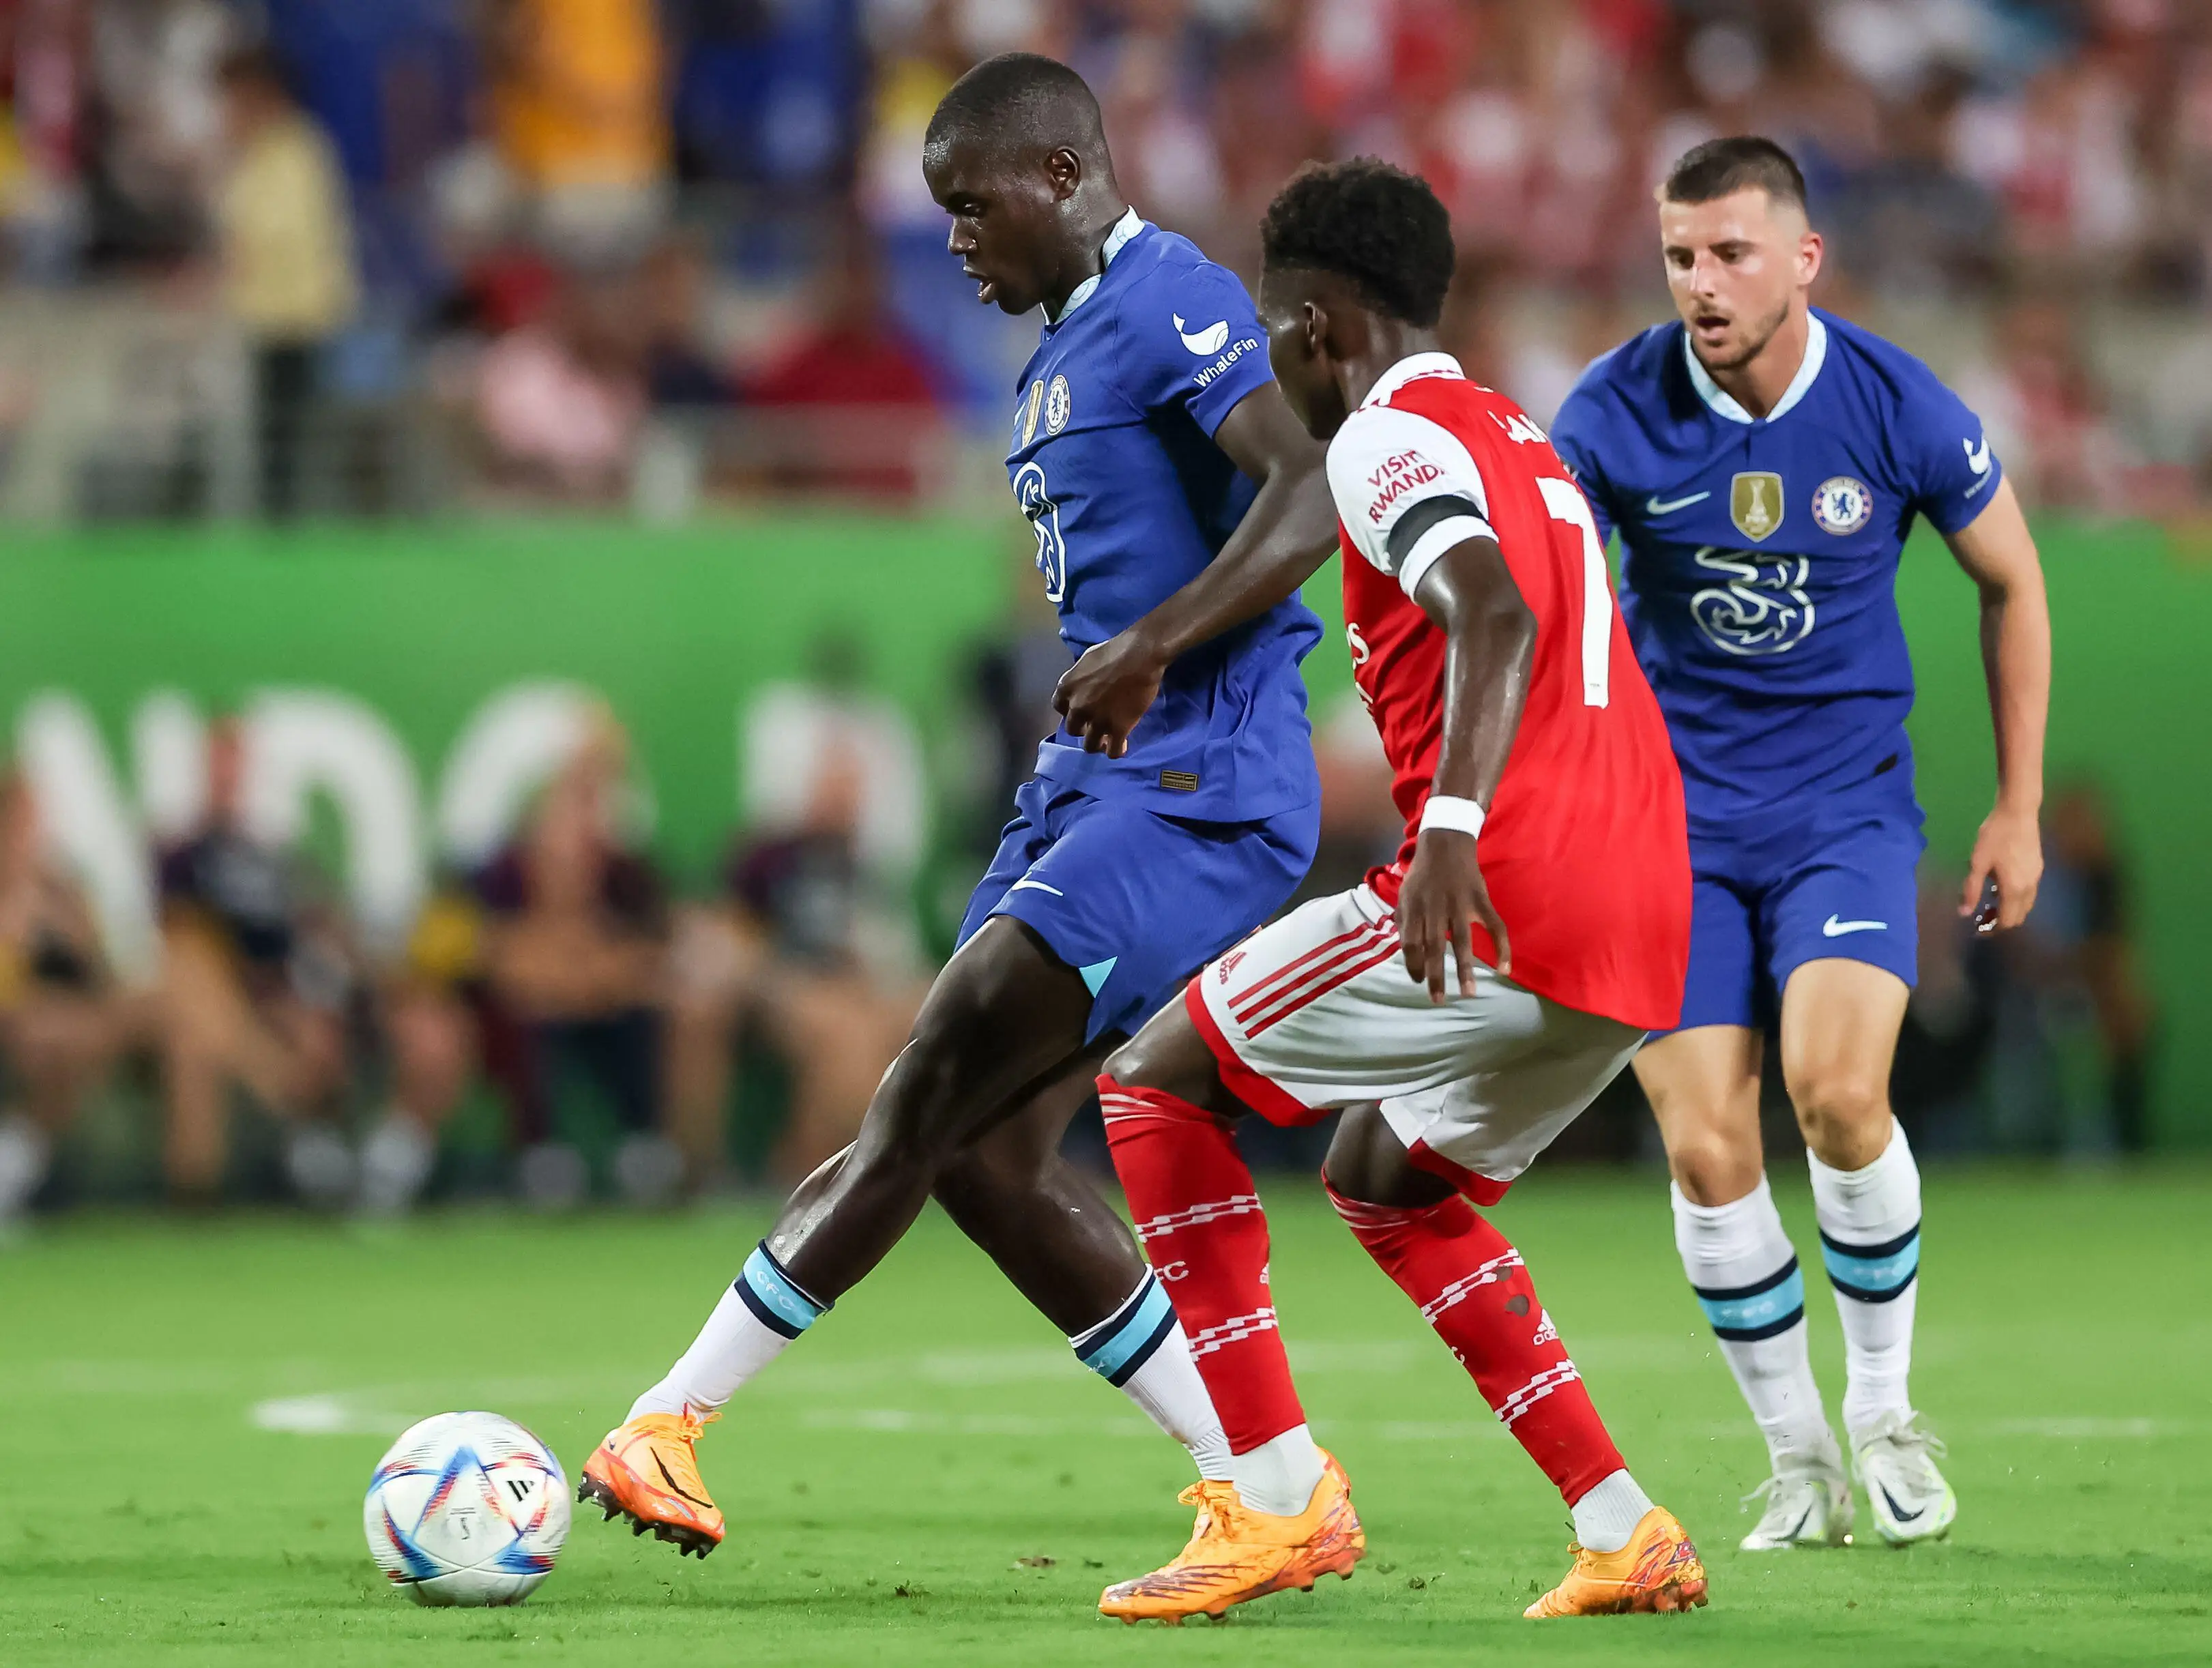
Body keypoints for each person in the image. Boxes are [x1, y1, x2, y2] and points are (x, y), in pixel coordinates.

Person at [577, 52, 1345, 1596]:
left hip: (1200, 787)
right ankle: (1273, 1486)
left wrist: (1151, 645)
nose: (953, 237)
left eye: (968, 202)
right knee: (988, 1164)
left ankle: (666, 1420)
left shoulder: (1174, 297)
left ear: (1060, 176)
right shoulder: (1061, 351)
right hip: (1098, 789)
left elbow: (1312, 489)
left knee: (922, 1082)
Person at [1084, 157, 1707, 1623]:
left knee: (1152, 1087)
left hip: (1503, 890)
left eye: (1268, 324)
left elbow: (1485, 609)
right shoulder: (1517, 431)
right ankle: (1623, 1525)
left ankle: (1274, 1492)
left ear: (1319, 325)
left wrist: (1447, 827)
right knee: (1389, 1184)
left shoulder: (1384, 436)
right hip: (1639, 916)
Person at [1549, 136, 2052, 1550]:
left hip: (1842, 812)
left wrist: (2014, 806)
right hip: (1672, 829)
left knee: (1837, 1095)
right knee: (1707, 1145)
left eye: (1729, 254)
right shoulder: (1610, 409)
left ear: (1803, 259)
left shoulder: (1896, 402)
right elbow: (1544, 602)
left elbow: (2011, 581)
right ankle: (1801, 1458)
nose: (1699, 285)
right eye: (1678, 257)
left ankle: (1887, 1412)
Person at [155, 716, 355, 1204]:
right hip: (206, 991)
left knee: (313, 1026)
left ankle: (309, 1159)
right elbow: (180, 936)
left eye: (235, 762)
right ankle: (281, 1094)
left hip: (271, 993)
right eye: (218, 762)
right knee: (194, 1028)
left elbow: (315, 926)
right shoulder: (179, 851)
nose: (228, 774)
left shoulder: (272, 854)